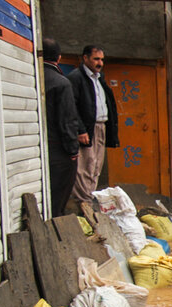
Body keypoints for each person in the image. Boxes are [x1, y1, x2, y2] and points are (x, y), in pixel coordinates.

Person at [67, 44, 119, 204]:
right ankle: (84, 201)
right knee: (85, 166)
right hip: (87, 129)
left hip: (101, 126)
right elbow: (71, 106)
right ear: (85, 58)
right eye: (96, 59)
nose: (100, 63)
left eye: (102, 60)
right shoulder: (76, 78)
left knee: (96, 166)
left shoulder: (98, 79)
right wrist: (80, 129)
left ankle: (89, 197)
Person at [41, 38, 79, 218]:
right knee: (58, 195)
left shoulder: (34, 76)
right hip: (58, 149)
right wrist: (72, 150)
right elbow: (67, 120)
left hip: (39, 147)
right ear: (59, 57)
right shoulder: (61, 83)